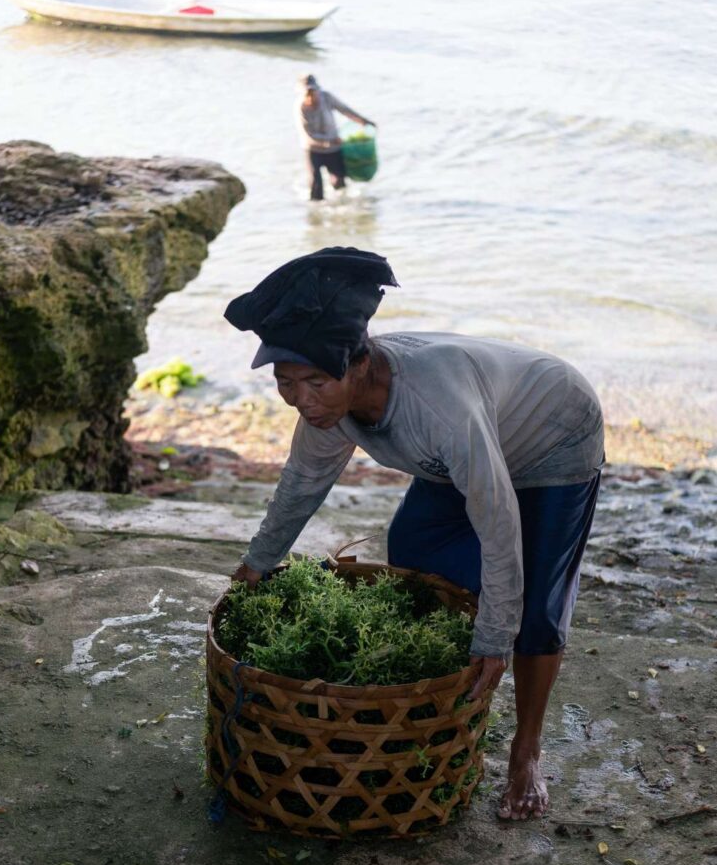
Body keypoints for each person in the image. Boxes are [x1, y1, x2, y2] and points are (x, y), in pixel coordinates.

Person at [223, 247, 604, 821]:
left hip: (554, 434)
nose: (301, 400)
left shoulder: (438, 408)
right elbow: (301, 484)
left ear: (360, 366)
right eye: (285, 382)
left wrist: (495, 635)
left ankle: (526, 752)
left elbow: (497, 523)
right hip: (471, 445)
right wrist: (257, 564)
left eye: (316, 382)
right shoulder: (329, 408)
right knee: (412, 550)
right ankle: (480, 635)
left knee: (535, 614)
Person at [296, 73, 376, 202]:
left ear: (317, 89)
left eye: (313, 91)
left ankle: (340, 211)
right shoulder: (301, 107)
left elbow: (344, 110)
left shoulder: (326, 97)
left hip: (333, 148)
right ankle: (316, 217)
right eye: (308, 92)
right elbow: (308, 135)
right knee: (316, 186)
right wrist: (330, 140)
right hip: (313, 150)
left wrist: (363, 121)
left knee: (339, 181)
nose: (311, 94)